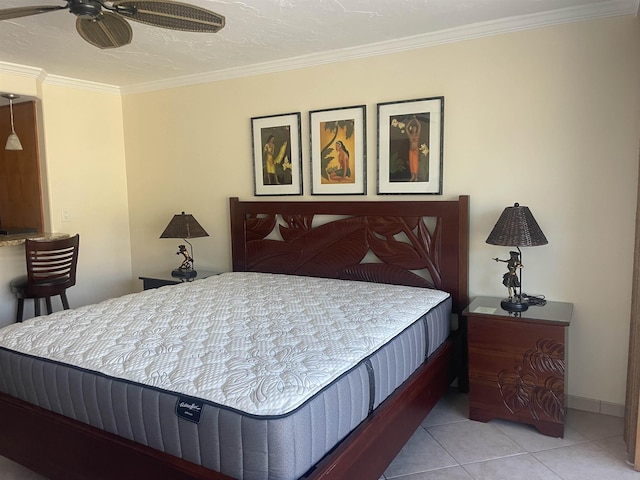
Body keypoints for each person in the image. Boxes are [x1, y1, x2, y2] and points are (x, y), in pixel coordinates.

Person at [406, 116, 421, 182]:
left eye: (415, 128)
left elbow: (419, 126)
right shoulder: (410, 135)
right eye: (413, 128)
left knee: (415, 163)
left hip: (415, 150)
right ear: (412, 129)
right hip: (411, 150)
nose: (414, 129)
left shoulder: (417, 134)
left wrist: (415, 119)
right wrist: (411, 121)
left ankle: (416, 176)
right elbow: (406, 128)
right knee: (411, 163)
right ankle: (412, 176)